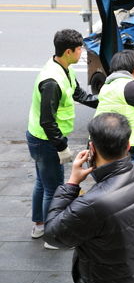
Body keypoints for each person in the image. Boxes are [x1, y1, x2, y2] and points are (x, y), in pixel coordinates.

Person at [44, 112, 134, 283]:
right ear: (127, 145)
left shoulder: (94, 203)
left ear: (92, 148)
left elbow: (53, 234)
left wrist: (72, 183)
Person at [26, 29, 98, 249]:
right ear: (68, 51)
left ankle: (39, 225)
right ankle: (52, 236)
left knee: (42, 182)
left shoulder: (63, 69)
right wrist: (61, 147)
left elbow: (79, 95)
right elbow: (48, 121)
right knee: (54, 188)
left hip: (41, 138)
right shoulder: (52, 81)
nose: (82, 53)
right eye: (79, 49)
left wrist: (104, 102)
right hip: (45, 141)